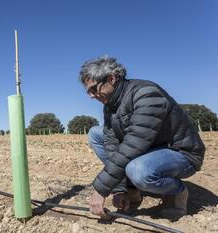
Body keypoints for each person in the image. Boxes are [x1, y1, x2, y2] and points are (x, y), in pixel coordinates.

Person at [79, 55, 205, 219]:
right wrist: (121, 190)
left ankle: (177, 192)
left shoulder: (146, 94)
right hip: (151, 148)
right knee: (96, 133)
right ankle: (133, 191)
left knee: (138, 170)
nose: (91, 96)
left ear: (111, 78)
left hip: (180, 152)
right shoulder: (110, 106)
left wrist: (101, 190)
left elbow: (134, 145)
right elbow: (111, 146)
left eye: (94, 89)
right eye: (88, 92)